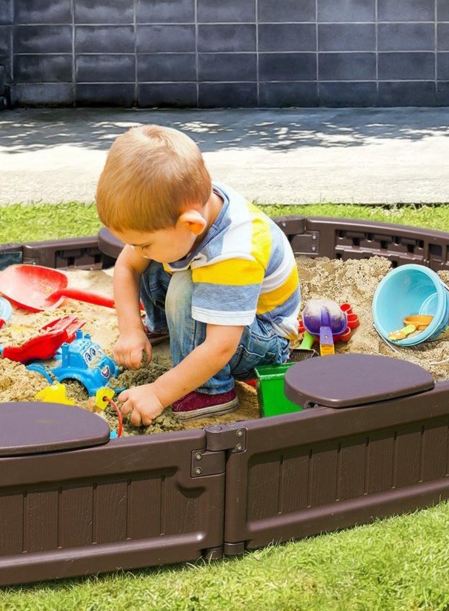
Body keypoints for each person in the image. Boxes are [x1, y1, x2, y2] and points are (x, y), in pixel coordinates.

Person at [96, 124, 301, 425]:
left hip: (261, 337)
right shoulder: (179, 207)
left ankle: (212, 390)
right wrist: (131, 330)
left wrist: (158, 393)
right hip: (223, 316)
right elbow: (126, 267)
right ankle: (169, 329)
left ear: (191, 224)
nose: (139, 250)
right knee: (156, 260)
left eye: (144, 242)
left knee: (184, 284)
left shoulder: (233, 253)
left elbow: (221, 347)